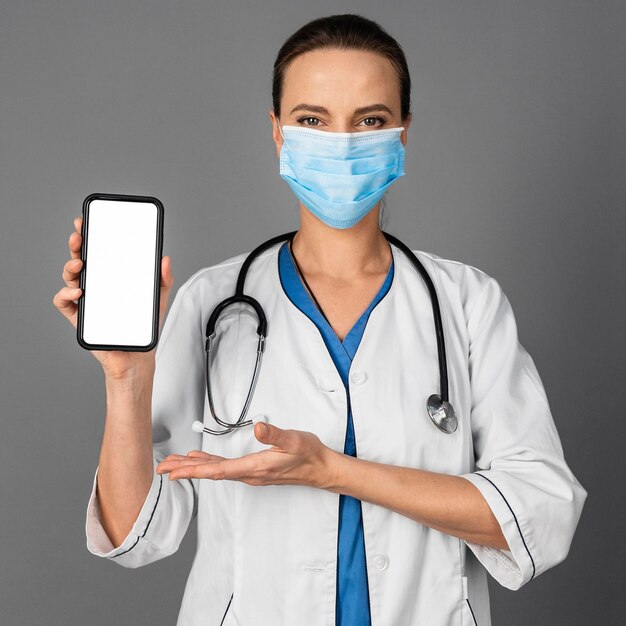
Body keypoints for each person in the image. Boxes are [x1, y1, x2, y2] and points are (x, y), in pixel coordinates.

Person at [53, 13, 587, 626]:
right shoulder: (211, 303)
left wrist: (331, 471)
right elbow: (134, 535)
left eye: (371, 121)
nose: (343, 142)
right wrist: (125, 379)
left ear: (404, 133)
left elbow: (539, 514)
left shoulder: (466, 304)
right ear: (277, 133)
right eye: (312, 120)